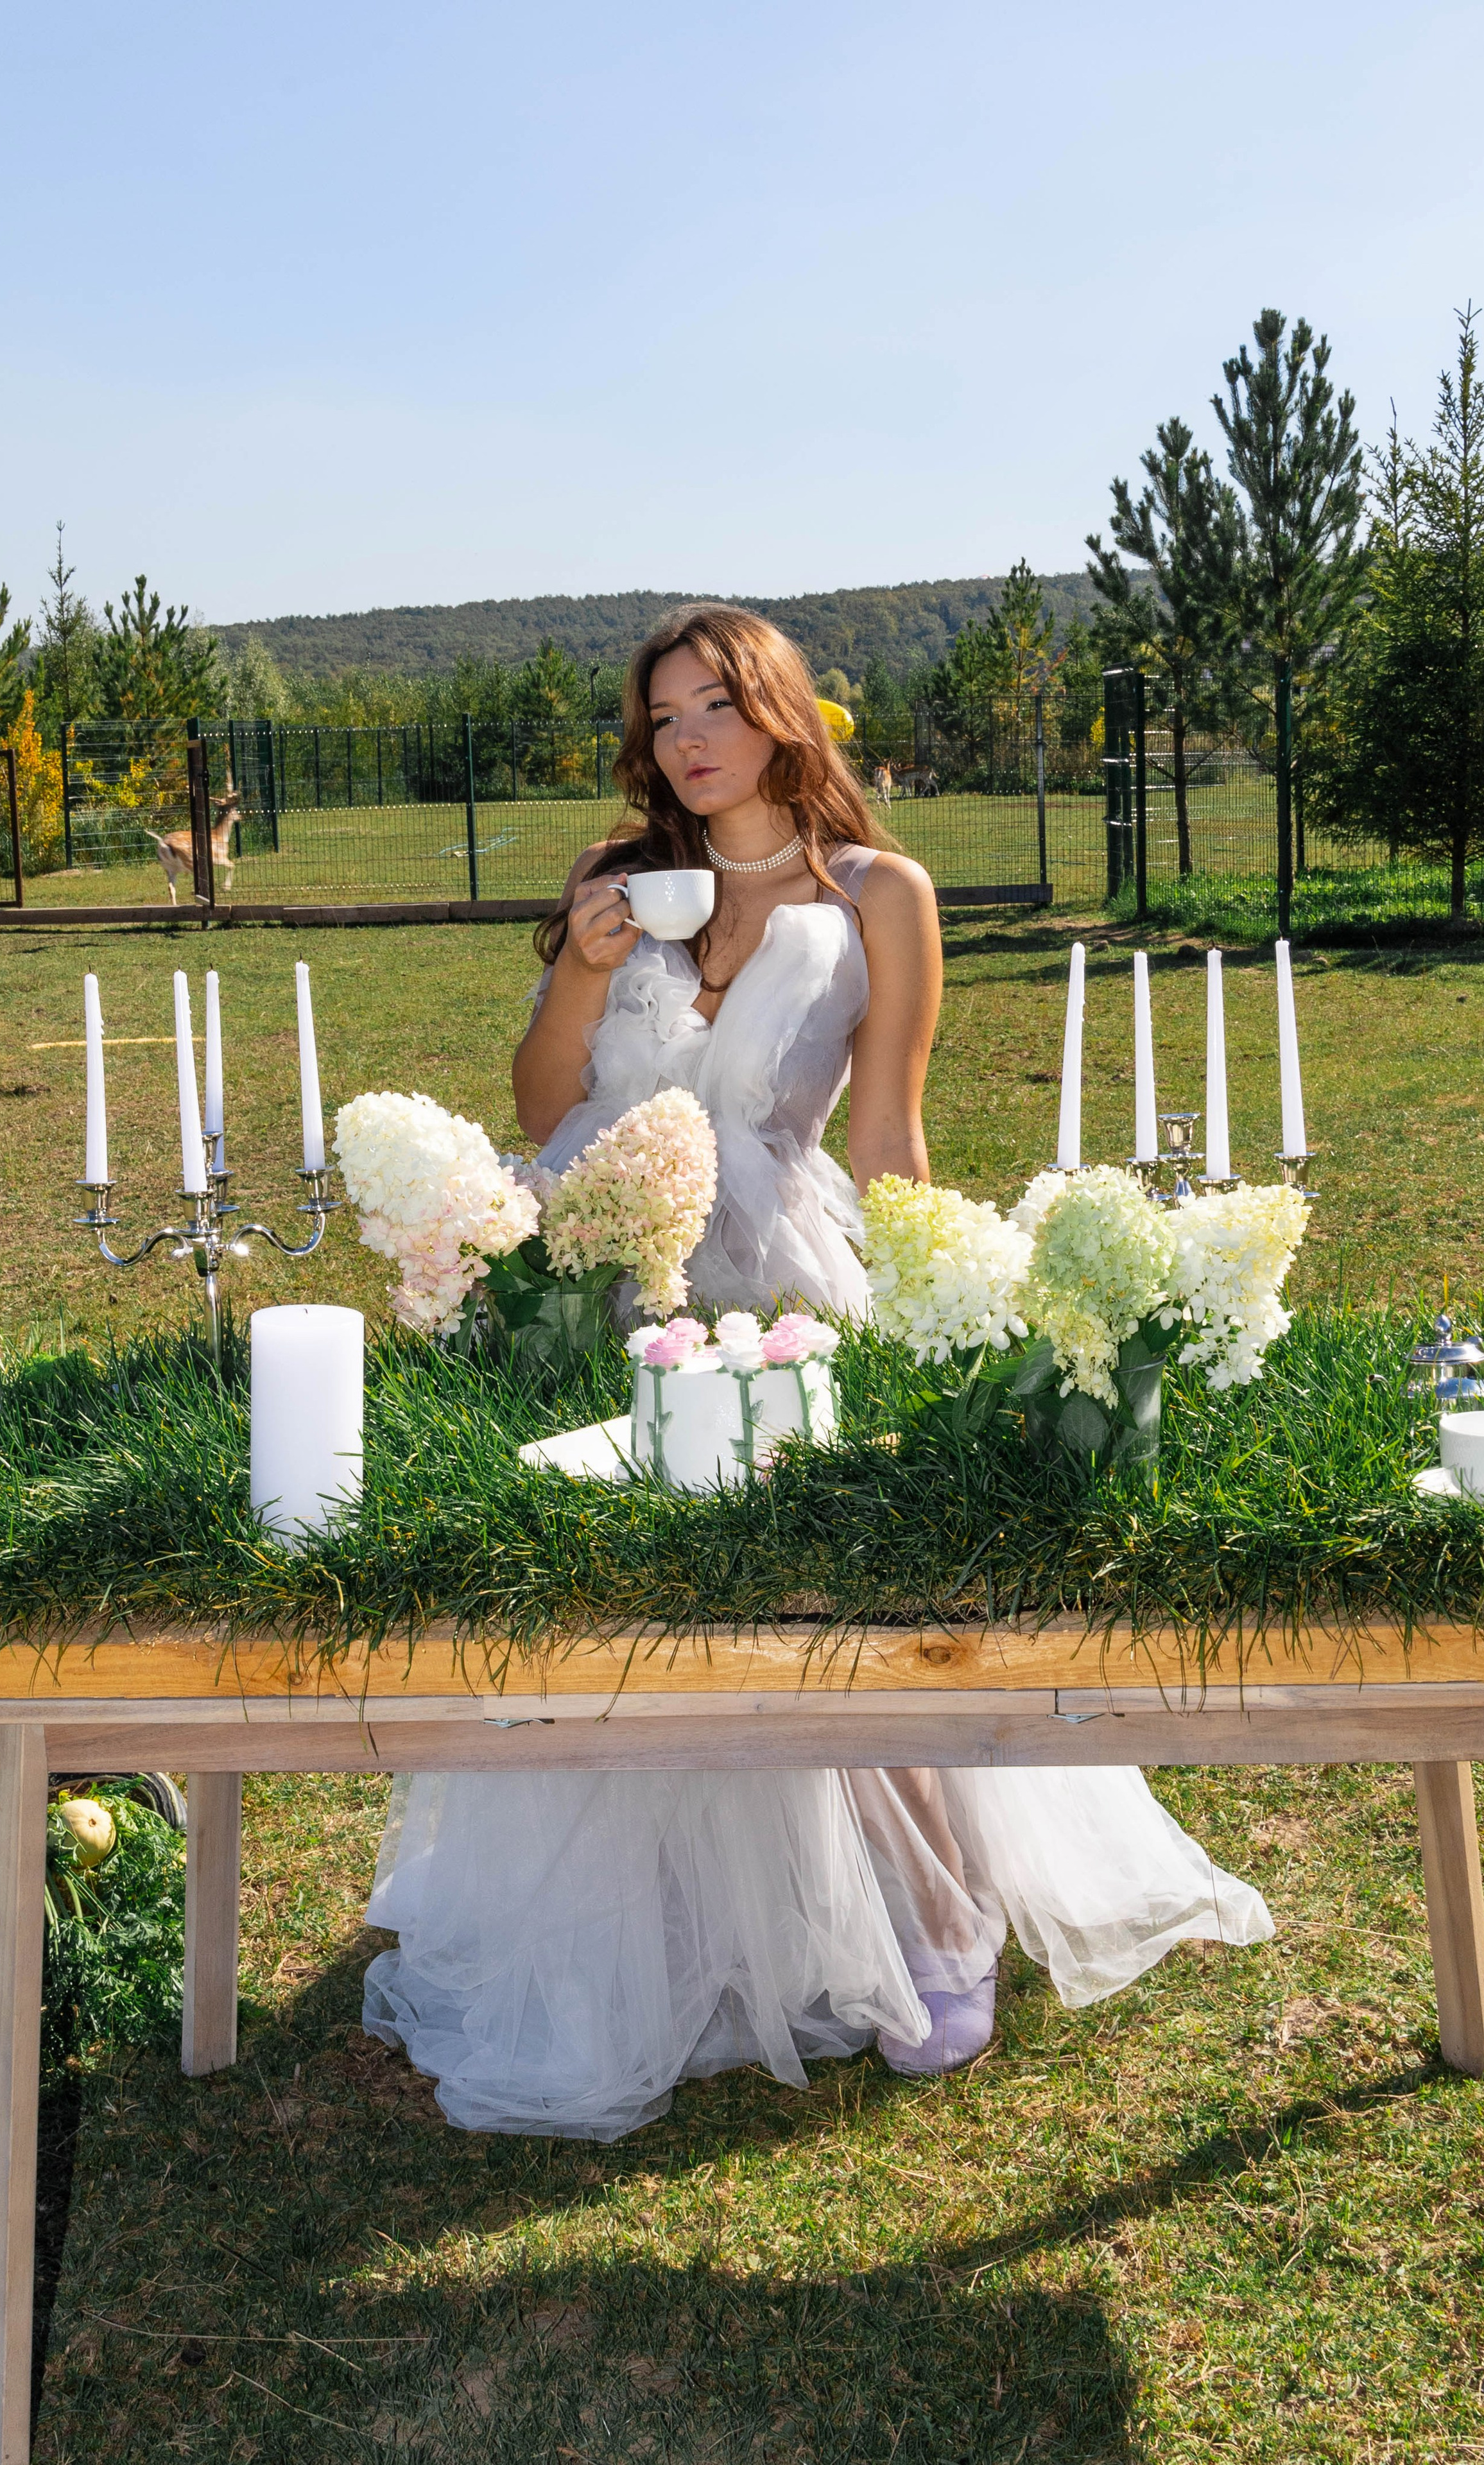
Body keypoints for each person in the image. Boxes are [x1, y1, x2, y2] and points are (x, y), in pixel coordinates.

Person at [363, 605, 1272, 2137]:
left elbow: (885, 1134)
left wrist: (928, 1300)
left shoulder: (878, 895)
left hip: (777, 1272)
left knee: (819, 1591)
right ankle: (669, 1932)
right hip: (599, 1275)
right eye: (662, 718)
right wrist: (582, 972)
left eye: (716, 705)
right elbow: (541, 1101)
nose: (688, 740)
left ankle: (924, 1916)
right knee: (626, 1595)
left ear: (784, 713)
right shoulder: (617, 882)